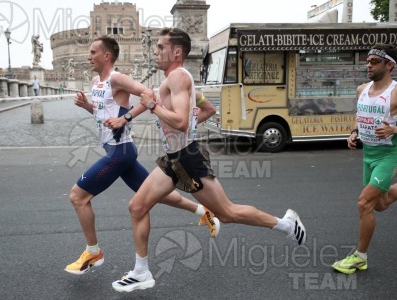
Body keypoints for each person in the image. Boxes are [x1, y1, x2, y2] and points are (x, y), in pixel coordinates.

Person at [112, 27, 307, 293]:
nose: (155, 51)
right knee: (137, 207)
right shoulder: (171, 81)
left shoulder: (179, 77)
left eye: (160, 47)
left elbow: (179, 121)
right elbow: (206, 109)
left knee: (227, 213)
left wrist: (158, 109)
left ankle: (286, 224)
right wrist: (126, 118)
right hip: (172, 159)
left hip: (188, 158)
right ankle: (141, 272)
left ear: (176, 52)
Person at [64, 35, 219, 275]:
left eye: (93, 52)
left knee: (78, 196)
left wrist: (124, 118)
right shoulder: (96, 81)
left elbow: (149, 95)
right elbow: (103, 110)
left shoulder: (118, 78)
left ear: (107, 56)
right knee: (159, 195)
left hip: (120, 152)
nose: (88, 56)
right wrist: (86, 106)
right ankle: (203, 211)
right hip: (115, 150)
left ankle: (93, 252)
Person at [332, 44, 397, 274]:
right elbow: (362, 116)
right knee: (379, 204)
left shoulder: (395, 92)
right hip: (368, 154)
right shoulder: (361, 89)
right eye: (368, 60)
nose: (368, 65)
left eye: (375, 61)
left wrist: (394, 130)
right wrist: (354, 132)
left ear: (390, 65)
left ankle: (360, 257)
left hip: (389, 154)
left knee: (364, 203)